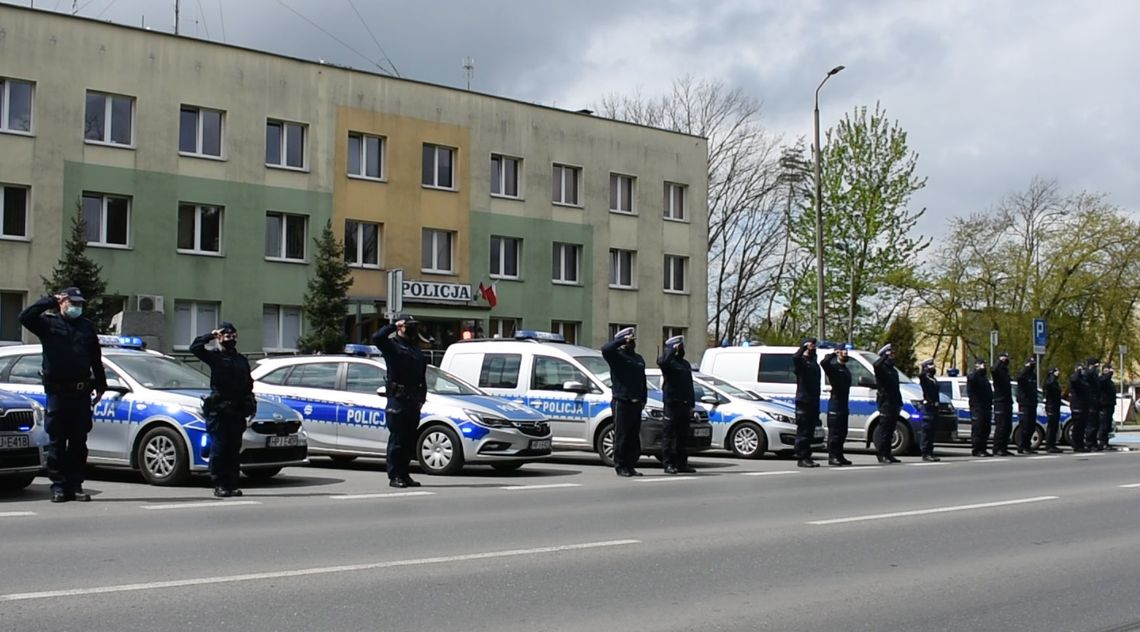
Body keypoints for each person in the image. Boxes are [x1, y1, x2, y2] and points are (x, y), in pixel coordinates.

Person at [18, 287, 107, 503]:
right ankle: (58, 486)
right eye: (72, 303)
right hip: (57, 392)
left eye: (79, 304)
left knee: (78, 441)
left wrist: (101, 385)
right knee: (57, 441)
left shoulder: (86, 327)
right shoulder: (48, 323)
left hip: (81, 391)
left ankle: (75, 485)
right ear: (62, 302)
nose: (77, 307)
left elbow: (96, 357)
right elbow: (25, 317)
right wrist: (49, 300)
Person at [190, 322, 257, 498]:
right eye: (226, 336)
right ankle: (220, 484)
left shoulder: (241, 360)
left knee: (233, 450)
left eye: (233, 336)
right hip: (219, 411)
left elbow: (248, 384)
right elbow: (195, 348)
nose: (230, 340)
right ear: (220, 338)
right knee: (219, 449)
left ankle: (232, 484)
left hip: (237, 411)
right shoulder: (215, 357)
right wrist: (211, 335)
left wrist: (251, 403)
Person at [372, 314, 428, 488]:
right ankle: (395, 476)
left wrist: (422, 399)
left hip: (413, 401)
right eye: (408, 325)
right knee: (397, 440)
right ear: (401, 327)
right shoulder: (392, 346)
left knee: (409, 441)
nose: (412, 328)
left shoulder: (415, 349)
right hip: (398, 400)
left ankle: (405, 474)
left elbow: (421, 377)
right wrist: (393, 325)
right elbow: (377, 338)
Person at [602, 327, 647, 477]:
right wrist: (620, 341)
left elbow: (642, 381)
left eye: (633, 340)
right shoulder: (617, 356)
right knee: (622, 436)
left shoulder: (638, 358)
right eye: (629, 340)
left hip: (636, 402)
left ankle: (631, 465)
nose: (632, 343)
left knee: (633, 437)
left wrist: (643, 399)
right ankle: (621, 466)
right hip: (622, 401)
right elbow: (605, 349)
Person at [657, 335, 695, 475]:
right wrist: (671, 350)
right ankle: (668, 464)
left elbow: (689, 384)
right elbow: (663, 361)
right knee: (669, 436)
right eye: (679, 346)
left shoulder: (685, 364)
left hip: (684, 404)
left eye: (682, 346)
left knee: (682, 436)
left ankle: (682, 463)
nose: (681, 349)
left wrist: (691, 403)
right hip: (672, 404)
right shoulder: (667, 362)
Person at [820, 344, 853, 466]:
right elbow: (823, 363)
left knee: (842, 432)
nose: (845, 354)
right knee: (835, 433)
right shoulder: (833, 368)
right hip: (835, 405)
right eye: (843, 352)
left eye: (846, 352)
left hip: (843, 405)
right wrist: (834, 353)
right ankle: (832, 456)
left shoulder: (845, 369)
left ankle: (839, 455)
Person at [792, 338, 821, 468]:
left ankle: (807, 456)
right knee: (803, 431)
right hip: (803, 401)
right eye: (811, 345)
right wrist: (804, 347)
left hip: (813, 401)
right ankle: (801, 457)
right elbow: (796, 358)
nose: (813, 347)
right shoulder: (801, 363)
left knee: (810, 431)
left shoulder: (814, 363)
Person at [872, 343, 902, 464]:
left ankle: (888, 454)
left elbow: (896, 388)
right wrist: (884, 357)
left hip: (894, 402)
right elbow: (876, 365)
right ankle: (881, 454)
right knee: (884, 430)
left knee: (890, 430)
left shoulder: (893, 370)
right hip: (885, 403)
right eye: (891, 354)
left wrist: (900, 403)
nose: (893, 356)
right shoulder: (881, 368)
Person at [966, 357, 994, 457]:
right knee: (978, 429)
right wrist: (978, 370)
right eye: (982, 364)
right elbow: (972, 379)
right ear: (977, 365)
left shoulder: (984, 378)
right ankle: (977, 450)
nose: (984, 366)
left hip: (986, 407)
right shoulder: (974, 376)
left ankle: (983, 448)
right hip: (977, 408)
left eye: (984, 364)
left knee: (986, 429)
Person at [918, 358, 942, 462]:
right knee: (927, 431)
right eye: (931, 365)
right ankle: (925, 453)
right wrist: (924, 368)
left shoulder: (933, 379)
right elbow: (921, 376)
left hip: (934, 408)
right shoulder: (925, 378)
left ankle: (930, 452)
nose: (934, 367)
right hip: (928, 407)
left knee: (932, 432)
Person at [991, 351, 1014, 456]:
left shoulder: (1005, 371)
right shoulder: (998, 371)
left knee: (1007, 427)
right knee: (1001, 426)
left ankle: (1003, 448)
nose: (1006, 360)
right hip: (999, 402)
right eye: (1004, 358)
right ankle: (997, 448)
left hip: (1007, 402)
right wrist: (999, 361)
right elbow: (994, 370)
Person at [1015, 355, 1038, 454]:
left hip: (1032, 403)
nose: (1032, 366)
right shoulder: (1023, 374)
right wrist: (1026, 368)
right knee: (1025, 425)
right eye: (1031, 364)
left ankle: (1027, 446)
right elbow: (1019, 378)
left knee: (1031, 426)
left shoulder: (1033, 375)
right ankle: (1022, 446)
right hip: (1024, 403)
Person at [1068, 362, 1089, 452]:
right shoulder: (1075, 378)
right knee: (1077, 427)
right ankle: (1076, 445)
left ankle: (1080, 444)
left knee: (1082, 427)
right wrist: (1078, 371)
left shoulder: (1083, 380)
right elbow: (1074, 380)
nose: (1083, 370)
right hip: (1077, 406)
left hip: (1083, 406)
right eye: (1082, 369)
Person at [1043, 367, 1064, 453]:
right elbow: (1050, 384)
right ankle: (1049, 445)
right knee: (1051, 427)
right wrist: (1053, 375)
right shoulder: (1050, 381)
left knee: (1054, 427)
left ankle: (1052, 444)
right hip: (1051, 406)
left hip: (1055, 406)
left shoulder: (1055, 382)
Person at [1083, 358, 1102, 451]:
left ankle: (1094, 442)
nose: (1097, 368)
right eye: (1096, 366)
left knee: (1096, 424)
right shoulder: (1088, 373)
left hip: (1096, 402)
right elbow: (1087, 378)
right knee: (1091, 425)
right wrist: (1092, 369)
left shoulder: (1095, 375)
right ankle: (1089, 443)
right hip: (1090, 402)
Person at [1097, 364, 1117, 451]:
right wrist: (1109, 374)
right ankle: (1102, 442)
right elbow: (1102, 381)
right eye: (1107, 370)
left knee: (1108, 425)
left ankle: (1106, 442)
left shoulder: (1109, 381)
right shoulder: (1101, 379)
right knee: (1104, 424)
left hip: (1110, 404)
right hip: (1104, 405)